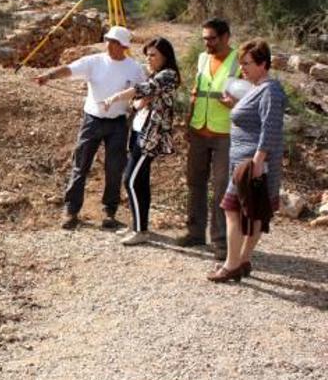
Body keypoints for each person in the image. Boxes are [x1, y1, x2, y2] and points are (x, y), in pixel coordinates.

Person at [33, 26, 146, 230]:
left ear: (123, 46)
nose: (108, 44)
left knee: (114, 169)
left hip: (118, 123)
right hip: (92, 121)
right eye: (108, 40)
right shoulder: (94, 62)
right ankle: (71, 211)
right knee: (80, 165)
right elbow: (70, 69)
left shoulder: (135, 68)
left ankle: (109, 213)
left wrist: (137, 105)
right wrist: (49, 76)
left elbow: (143, 91)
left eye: (113, 41)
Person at [208, 39, 286, 282]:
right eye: (241, 63)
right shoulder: (258, 88)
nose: (242, 68)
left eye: (247, 63)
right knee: (251, 212)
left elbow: (270, 128)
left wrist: (257, 163)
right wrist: (236, 106)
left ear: (263, 64)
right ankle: (242, 261)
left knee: (232, 209)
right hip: (246, 161)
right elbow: (256, 117)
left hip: (252, 164)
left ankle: (232, 265)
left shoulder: (270, 90)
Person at [100, 37, 180, 245]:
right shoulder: (156, 75)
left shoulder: (168, 75)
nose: (149, 59)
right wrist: (135, 104)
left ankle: (140, 231)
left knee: (131, 180)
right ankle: (139, 226)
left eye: (153, 55)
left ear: (165, 56)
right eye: (147, 56)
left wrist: (114, 98)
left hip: (151, 137)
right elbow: (143, 99)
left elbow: (142, 90)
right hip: (139, 132)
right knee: (141, 182)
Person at [180, 18, 241, 260]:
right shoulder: (203, 58)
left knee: (220, 189)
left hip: (225, 133)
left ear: (226, 37)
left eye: (212, 39)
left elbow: (252, 96)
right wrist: (188, 121)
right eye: (204, 39)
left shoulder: (239, 60)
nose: (207, 43)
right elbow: (197, 92)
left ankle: (221, 244)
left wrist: (235, 104)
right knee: (195, 183)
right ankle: (195, 233)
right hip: (199, 130)